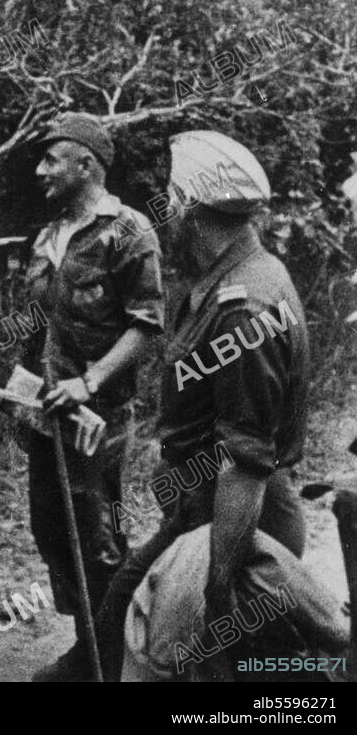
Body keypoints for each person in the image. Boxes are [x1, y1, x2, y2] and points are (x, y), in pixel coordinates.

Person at [94, 130, 310, 681]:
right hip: (202, 511)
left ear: (189, 209)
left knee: (220, 673)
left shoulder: (243, 306)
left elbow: (245, 458)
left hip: (236, 521)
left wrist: (221, 579)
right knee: (126, 606)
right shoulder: (224, 281)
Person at [24, 112, 165, 682]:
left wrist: (92, 380)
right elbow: (38, 324)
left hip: (97, 418)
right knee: (52, 531)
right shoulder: (48, 235)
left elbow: (147, 323)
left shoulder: (128, 230)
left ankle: (109, 657)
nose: (40, 171)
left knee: (97, 539)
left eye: (51, 160)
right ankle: (88, 641)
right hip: (45, 416)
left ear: (87, 165)